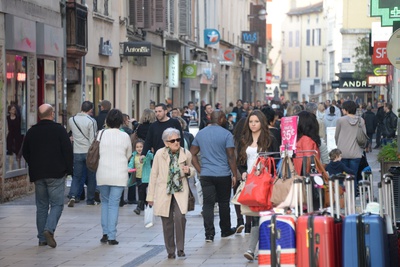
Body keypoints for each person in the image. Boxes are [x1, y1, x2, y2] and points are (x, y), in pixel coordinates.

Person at [22, 104, 73, 248]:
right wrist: (69, 170)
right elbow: (67, 151)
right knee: (57, 204)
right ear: (52, 114)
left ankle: (41, 239)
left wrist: (34, 164)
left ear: (39, 116)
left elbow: (25, 152)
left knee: (42, 205)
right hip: (56, 173)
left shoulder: (32, 132)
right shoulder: (59, 130)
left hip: (38, 174)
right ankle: (49, 230)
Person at [236, 110, 279, 261]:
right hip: (250, 181)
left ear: (262, 122)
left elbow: (276, 159)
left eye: (256, 121)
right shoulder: (244, 139)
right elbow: (240, 161)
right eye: (251, 122)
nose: (253, 124)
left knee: (265, 215)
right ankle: (254, 249)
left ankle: (256, 248)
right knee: (254, 215)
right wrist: (242, 172)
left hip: (266, 181)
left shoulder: (270, 138)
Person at [146, 128, 195, 259]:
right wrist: (150, 197)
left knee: (180, 218)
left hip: (180, 191)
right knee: (166, 222)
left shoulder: (186, 153)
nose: (176, 143)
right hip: (164, 191)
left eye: (178, 139)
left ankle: (180, 248)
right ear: (166, 143)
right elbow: (153, 175)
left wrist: (189, 171)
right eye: (172, 140)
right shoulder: (159, 154)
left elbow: (192, 170)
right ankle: (170, 250)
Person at [190, 111, 238, 243]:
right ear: (221, 119)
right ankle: (225, 230)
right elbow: (231, 156)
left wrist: (200, 170)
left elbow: (192, 154)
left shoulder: (201, 133)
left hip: (206, 174)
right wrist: (234, 174)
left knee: (208, 204)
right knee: (223, 203)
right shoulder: (227, 134)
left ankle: (209, 234)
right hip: (223, 174)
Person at [96, 109, 132, 245]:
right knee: (113, 204)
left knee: (104, 203)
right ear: (121, 121)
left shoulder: (100, 134)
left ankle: (105, 233)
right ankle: (112, 235)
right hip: (119, 174)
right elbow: (128, 155)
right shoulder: (124, 136)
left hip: (103, 173)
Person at [67, 101, 98, 207]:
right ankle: (90, 199)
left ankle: (72, 196)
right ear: (90, 110)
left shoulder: (72, 120)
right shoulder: (91, 121)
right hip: (88, 152)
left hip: (77, 151)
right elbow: (93, 139)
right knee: (91, 176)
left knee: (76, 176)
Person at [335, 101, 366, 182]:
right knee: (353, 176)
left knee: (343, 176)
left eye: (342, 109)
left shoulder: (340, 120)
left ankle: (344, 194)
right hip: (356, 153)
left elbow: (336, 136)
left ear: (346, 110)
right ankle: (354, 194)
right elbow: (364, 135)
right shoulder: (361, 120)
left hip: (343, 152)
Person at [129, 139, 153, 215]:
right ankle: (146, 205)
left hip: (146, 177)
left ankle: (139, 207)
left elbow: (154, 157)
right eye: (137, 147)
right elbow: (131, 164)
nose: (139, 148)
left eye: (141, 147)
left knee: (141, 191)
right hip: (138, 177)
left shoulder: (148, 154)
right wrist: (129, 169)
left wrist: (151, 152)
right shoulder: (134, 155)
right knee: (141, 192)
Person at [6, 103, 23, 170]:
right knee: (10, 154)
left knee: (18, 153)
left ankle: (19, 168)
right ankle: (10, 169)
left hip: (17, 137)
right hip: (10, 137)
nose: (14, 110)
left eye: (14, 109)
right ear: (9, 110)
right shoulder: (7, 118)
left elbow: (19, 128)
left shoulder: (18, 118)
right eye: (12, 109)